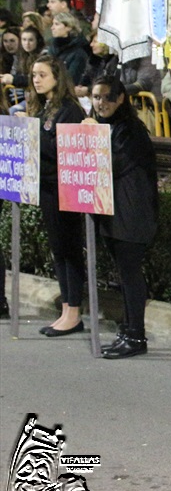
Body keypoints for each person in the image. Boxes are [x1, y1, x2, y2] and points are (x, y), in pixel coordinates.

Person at [87, 76, 159, 359]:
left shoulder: (131, 129)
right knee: (123, 273)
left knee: (130, 274)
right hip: (112, 212)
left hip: (132, 214)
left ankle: (136, 335)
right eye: (95, 97)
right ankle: (127, 330)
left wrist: (93, 136)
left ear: (120, 99)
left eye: (106, 97)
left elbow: (112, 164)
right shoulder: (107, 126)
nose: (100, 103)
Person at [21, 55, 87, 336]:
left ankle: (74, 311)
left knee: (69, 249)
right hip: (47, 187)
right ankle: (66, 309)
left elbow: (62, 149)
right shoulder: (45, 107)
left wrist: (33, 132)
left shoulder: (69, 110)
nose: (36, 79)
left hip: (65, 188)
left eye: (42, 74)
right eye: (34, 74)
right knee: (59, 250)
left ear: (57, 78)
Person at [47, 12, 89, 85]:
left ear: (68, 27)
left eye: (57, 24)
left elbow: (71, 79)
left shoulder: (78, 52)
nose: (52, 28)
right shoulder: (51, 48)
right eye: (53, 24)